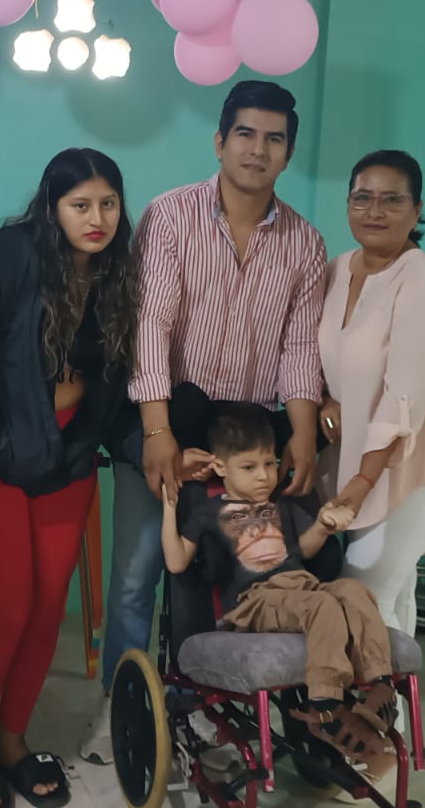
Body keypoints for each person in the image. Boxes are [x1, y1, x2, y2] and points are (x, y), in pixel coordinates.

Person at [84, 80, 328, 762]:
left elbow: (300, 349)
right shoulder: (170, 216)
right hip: (167, 412)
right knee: (139, 572)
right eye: (245, 133)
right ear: (220, 141)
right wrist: (158, 433)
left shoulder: (306, 244)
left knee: (239, 571)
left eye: (274, 138)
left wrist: (301, 434)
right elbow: (152, 327)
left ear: (289, 154)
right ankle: (125, 711)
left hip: (250, 434)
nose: (258, 149)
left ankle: (218, 699)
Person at [0, 148, 140, 808]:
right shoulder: (4, 259)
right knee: (6, 609)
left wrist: (87, 443)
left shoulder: (117, 272)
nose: (96, 218)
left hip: (66, 459)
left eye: (108, 203)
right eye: (79, 205)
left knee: (48, 610)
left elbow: (112, 382)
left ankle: (13, 741)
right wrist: (0, 448)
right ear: (51, 207)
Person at [162, 406, 394, 765]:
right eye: (249, 467)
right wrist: (169, 506)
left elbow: (303, 550)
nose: (264, 476)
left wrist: (323, 526)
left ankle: (379, 685)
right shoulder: (208, 513)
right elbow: (177, 562)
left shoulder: (280, 506)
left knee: (353, 589)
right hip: (255, 599)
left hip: (300, 586)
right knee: (323, 606)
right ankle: (326, 704)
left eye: (269, 464)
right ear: (221, 467)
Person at [317, 150, 425, 640]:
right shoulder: (337, 269)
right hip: (348, 469)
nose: (374, 211)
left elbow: (405, 398)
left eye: (392, 200)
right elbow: (328, 359)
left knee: (364, 602)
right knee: (392, 603)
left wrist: (361, 484)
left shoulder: (424, 282)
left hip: (402, 475)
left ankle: (379, 693)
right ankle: (397, 694)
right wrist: (327, 400)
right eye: (362, 198)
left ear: (416, 210)